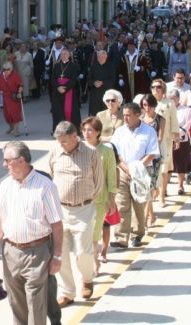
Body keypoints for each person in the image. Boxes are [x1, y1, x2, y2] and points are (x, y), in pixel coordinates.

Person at [0, 140, 64, 325]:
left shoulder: (45, 186)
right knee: (17, 304)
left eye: (8, 160)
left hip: (37, 252)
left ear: (22, 160)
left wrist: (57, 257)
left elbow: (56, 224)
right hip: (10, 252)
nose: (4, 164)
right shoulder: (5, 185)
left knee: (36, 303)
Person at [48, 121, 102, 307]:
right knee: (60, 252)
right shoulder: (55, 152)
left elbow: (98, 182)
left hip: (84, 209)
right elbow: (50, 176)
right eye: (59, 141)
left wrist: (86, 201)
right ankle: (67, 292)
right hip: (60, 210)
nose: (61, 144)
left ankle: (87, 279)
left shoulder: (91, 153)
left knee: (82, 252)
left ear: (74, 137)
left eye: (64, 141)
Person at [110, 103, 160, 248]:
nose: (125, 118)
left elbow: (151, 153)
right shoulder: (119, 132)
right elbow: (115, 153)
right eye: (124, 115)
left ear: (138, 115)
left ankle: (137, 234)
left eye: (128, 115)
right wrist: (126, 169)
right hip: (123, 172)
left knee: (138, 204)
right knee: (122, 204)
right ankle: (121, 237)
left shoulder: (148, 131)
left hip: (141, 173)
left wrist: (136, 168)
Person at [80, 117, 117, 273]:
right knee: (83, 235)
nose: (86, 133)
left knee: (94, 234)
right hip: (81, 200)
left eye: (90, 130)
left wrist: (111, 198)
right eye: (84, 130)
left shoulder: (107, 151)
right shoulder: (79, 150)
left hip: (100, 199)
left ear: (98, 133)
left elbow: (111, 175)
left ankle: (94, 264)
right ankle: (91, 261)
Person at [150, 79, 179, 207]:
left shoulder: (169, 103)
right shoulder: (147, 102)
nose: (155, 90)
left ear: (163, 89)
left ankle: (162, 196)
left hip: (165, 140)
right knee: (151, 169)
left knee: (163, 169)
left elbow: (174, 121)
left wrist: (176, 137)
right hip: (150, 141)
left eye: (158, 87)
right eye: (153, 87)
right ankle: (153, 192)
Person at [139, 94, 164, 227]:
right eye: (144, 105)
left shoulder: (160, 119)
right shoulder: (139, 119)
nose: (147, 108)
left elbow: (159, 138)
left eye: (149, 105)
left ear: (154, 105)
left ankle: (144, 218)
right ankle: (152, 215)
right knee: (144, 186)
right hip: (140, 156)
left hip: (153, 157)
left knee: (150, 187)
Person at [169, 89, 191, 195]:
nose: (171, 101)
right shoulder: (165, 109)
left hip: (182, 138)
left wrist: (177, 134)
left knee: (181, 163)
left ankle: (180, 185)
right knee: (168, 164)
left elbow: (188, 124)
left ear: (178, 99)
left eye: (173, 99)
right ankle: (164, 188)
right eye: (169, 99)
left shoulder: (185, 110)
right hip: (168, 139)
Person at [50, 47, 82, 131]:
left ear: (69, 55)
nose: (64, 55)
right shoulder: (56, 66)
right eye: (62, 54)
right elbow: (53, 79)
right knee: (58, 112)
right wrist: (58, 87)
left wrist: (65, 88)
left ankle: (73, 130)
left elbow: (73, 80)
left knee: (71, 112)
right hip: (57, 92)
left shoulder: (74, 66)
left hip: (69, 91)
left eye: (65, 54)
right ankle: (58, 131)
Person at [0, 62, 23, 136]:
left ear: (12, 69)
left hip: (14, 96)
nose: (6, 71)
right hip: (5, 97)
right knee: (7, 114)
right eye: (4, 69)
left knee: (15, 114)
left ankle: (16, 130)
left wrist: (19, 93)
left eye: (8, 69)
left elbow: (20, 85)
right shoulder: (1, 76)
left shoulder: (15, 75)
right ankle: (11, 127)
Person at [87, 50, 117, 116]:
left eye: (103, 56)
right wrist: (94, 82)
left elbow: (113, 80)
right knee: (95, 114)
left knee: (106, 113)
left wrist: (102, 82)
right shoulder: (93, 66)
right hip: (95, 93)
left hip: (106, 93)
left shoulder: (111, 66)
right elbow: (88, 79)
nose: (101, 58)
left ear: (106, 57)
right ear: (97, 57)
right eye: (99, 56)